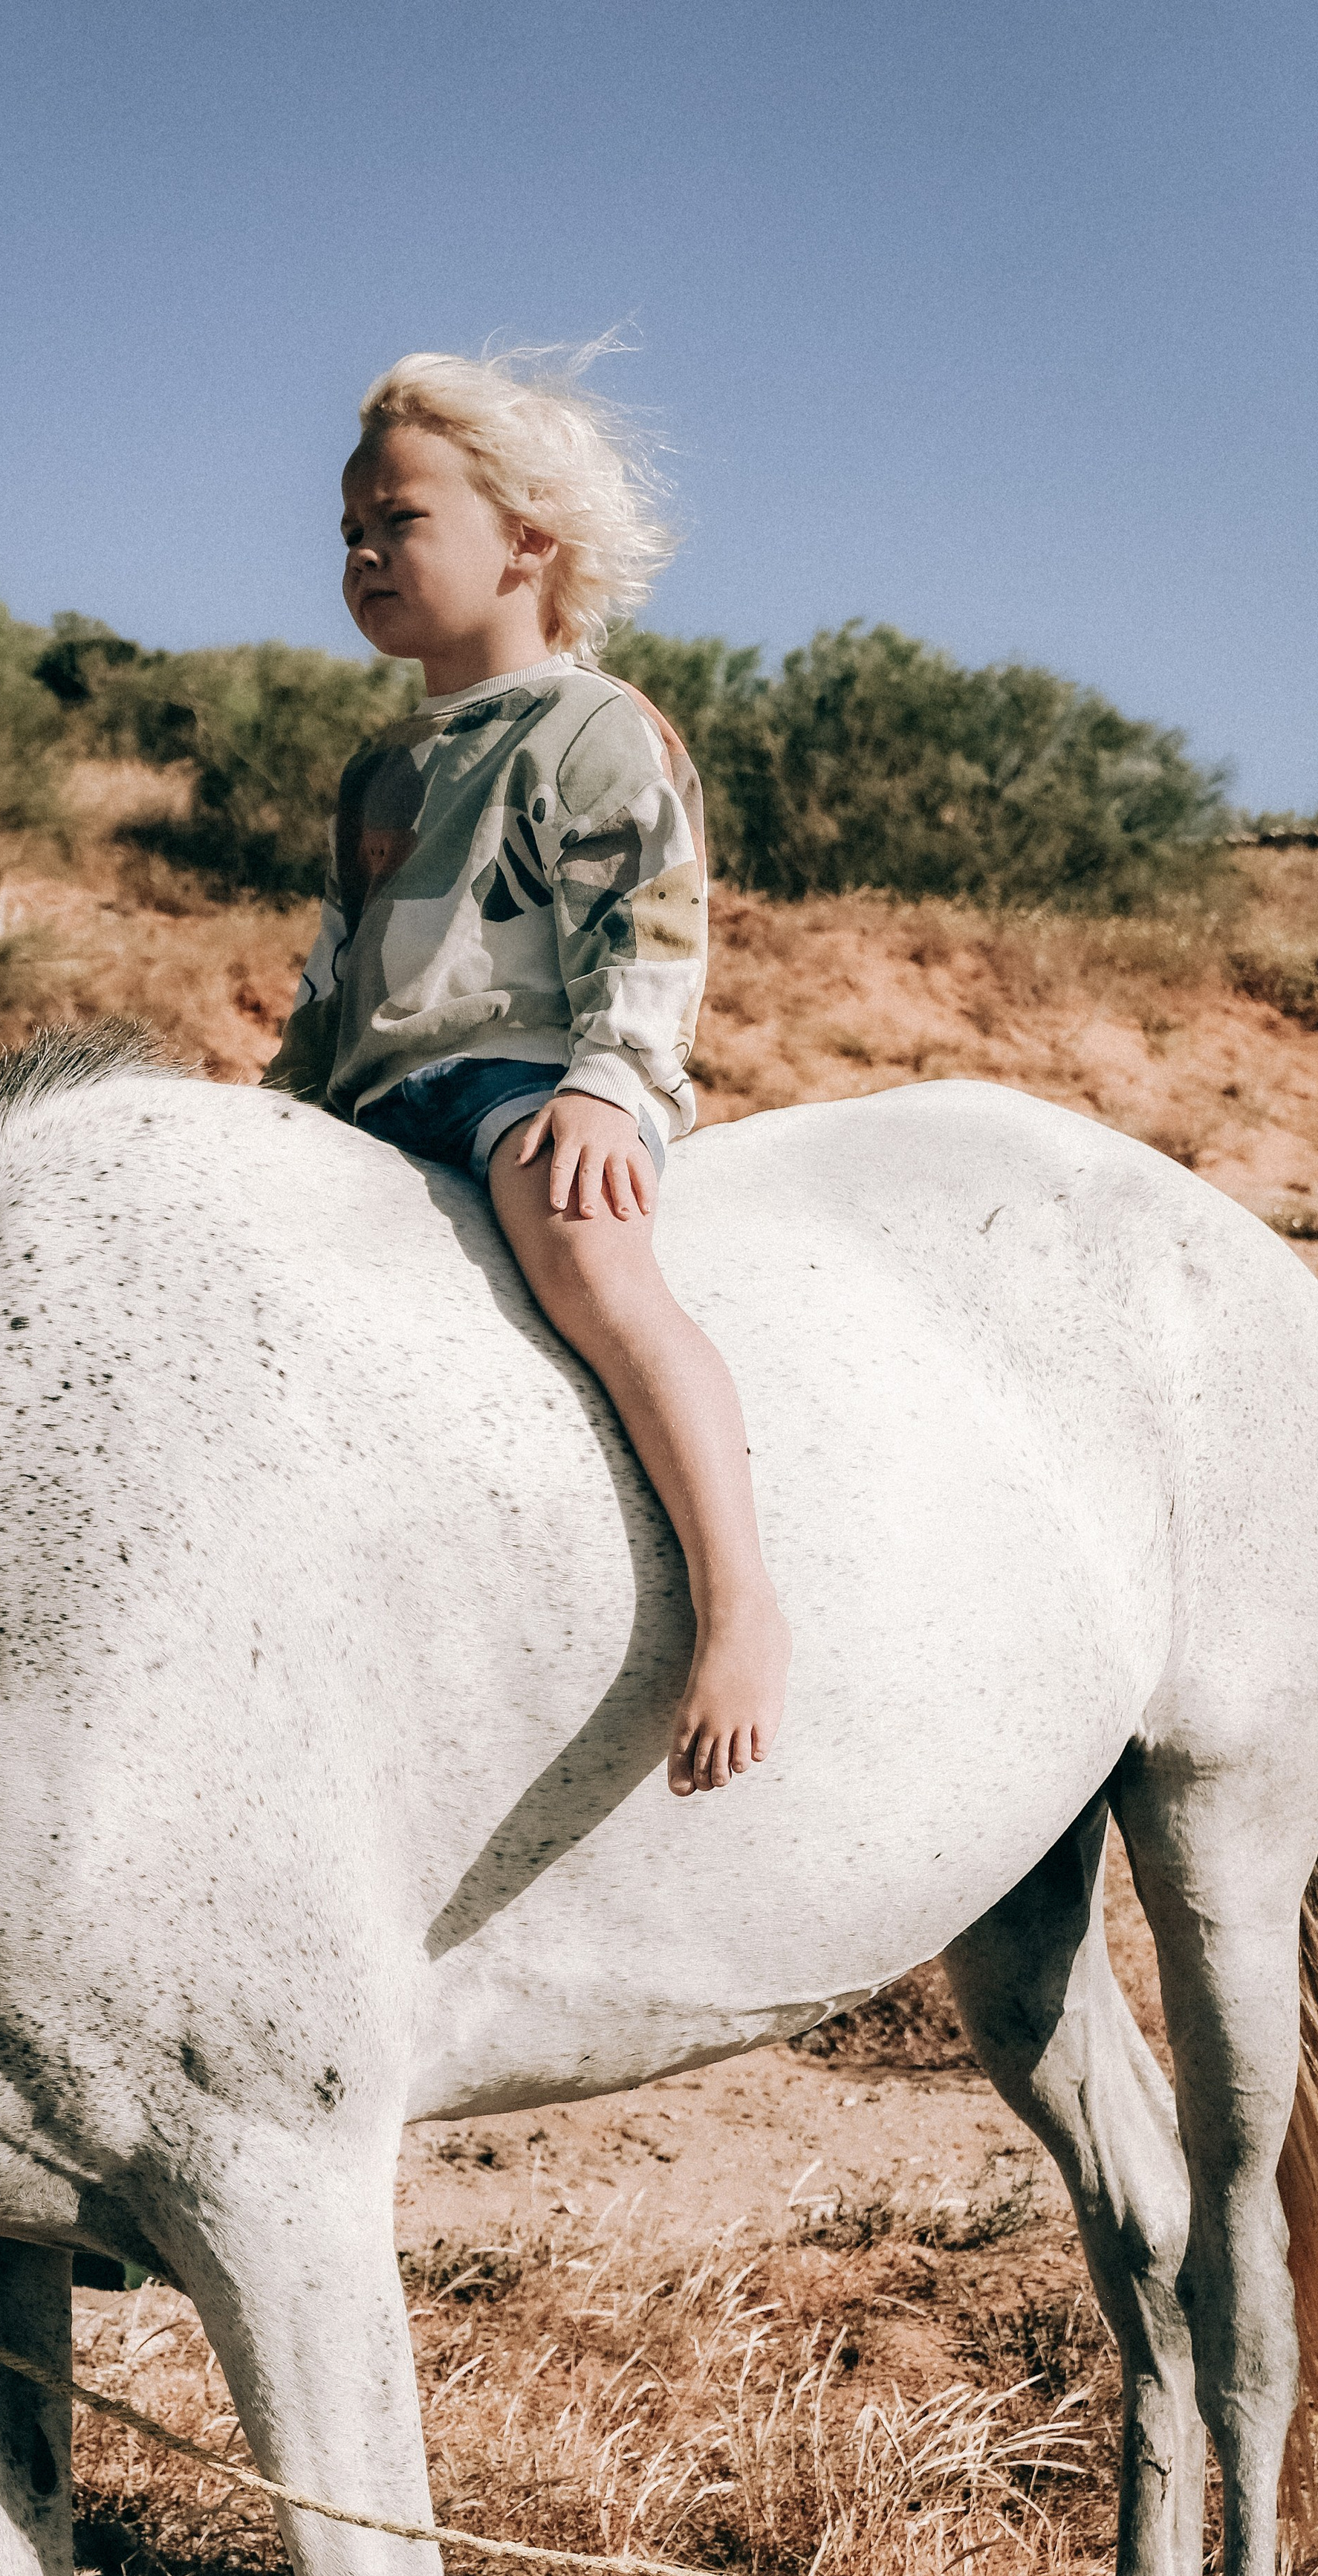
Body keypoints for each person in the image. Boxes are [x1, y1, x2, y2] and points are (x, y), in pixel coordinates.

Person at [262, 349, 789, 1795]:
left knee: (586, 1253)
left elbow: (649, 927)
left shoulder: (590, 727)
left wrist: (607, 1086)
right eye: (348, 532)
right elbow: (331, 974)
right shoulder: (380, 770)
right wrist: (269, 1113)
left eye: (399, 520)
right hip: (371, 1105)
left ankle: (739, 1602)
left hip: (523, 1089)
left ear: (529, 543)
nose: (362, 551)